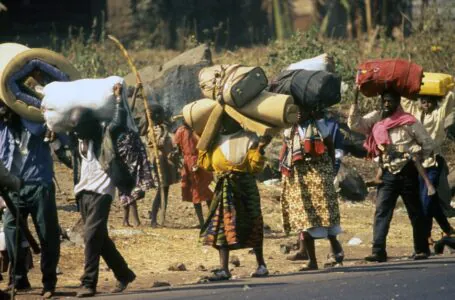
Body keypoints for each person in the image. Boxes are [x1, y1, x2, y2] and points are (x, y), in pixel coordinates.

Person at [348, 89, 434, 262]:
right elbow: (355, 124)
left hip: (408, 170)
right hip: (387, 172)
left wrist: (416, 154)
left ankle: (421, 249)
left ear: (398, 102)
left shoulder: (409, 121)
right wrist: (355, 99)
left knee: (415, 212)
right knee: (382, 211)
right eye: (385, 101)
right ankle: (378, 251)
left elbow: (427, 144)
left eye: (391, 101)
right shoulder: (377, 118)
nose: (387, 104)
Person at [71, 84, 136, 297]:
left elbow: (119, 120)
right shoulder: (79, 141)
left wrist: (119, 99)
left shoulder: (105, 133)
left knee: (91, 237)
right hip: (83, 192)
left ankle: (88, 282)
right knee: (100, 239)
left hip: (102, 192)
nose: (77, 131)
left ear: (90, 125)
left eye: (79, 127)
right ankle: (124, 274)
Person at [198, 113, 271, 280]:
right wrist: (202, 142)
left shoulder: (249, 138)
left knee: (253, 222)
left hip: (245, 187)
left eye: (229, 118)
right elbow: (206, 164)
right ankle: (224, 269)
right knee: (223, 225)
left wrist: (260, 149)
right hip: (224, 188)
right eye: (222, 118)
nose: (225, 122)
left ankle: (261, 264)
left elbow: (254, 168)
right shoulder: (215, 140)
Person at [0, 104, 61, 298]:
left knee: (47, 234)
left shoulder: (35, 121)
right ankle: (19, 277)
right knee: (11, 227)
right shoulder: (4, 128)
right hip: (14, 187)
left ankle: (49, 282)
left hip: (39, 184)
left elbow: (52, 130)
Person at [280, 109, 343, 270]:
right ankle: (312, 261)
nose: (299, 113)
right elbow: (287, 150)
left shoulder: (319, 126)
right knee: (304, 218)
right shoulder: (289, 129)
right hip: (299, 177)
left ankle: (335, 246)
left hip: (319, 174)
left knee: (326, 213)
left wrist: (328, 170)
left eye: (302, 110)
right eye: (297, 109)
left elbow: (329, 145)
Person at [401, 92, 455, 243]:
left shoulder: (439, 113)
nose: (426, 103)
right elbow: (405, 98)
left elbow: (449, 98)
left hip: (432, 162)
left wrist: (449, 86)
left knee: (426, 200)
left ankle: (425, 235)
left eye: (429, 101)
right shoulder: (413, 112)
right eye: (423, 101)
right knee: (429, 200)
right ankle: (446, 228)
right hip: (414, 162)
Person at [173, 122, 213, 227]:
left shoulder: (197, 130)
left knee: (206, 190)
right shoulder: (182, 131)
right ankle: (202, 222)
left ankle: (211, 219)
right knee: (195, 192)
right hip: (190, 162)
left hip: (199, 160)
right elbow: (176, 147)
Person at [147, 104, 179, 227]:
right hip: (159, 160)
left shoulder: (162, 127)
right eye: (162, 114)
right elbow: (157, 143)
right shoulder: (153, 129)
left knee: (165, 189)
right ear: (156, 116)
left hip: (165, 160)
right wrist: (166, 133)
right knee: (161, 189)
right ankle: (154, 218)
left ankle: (162, 217)